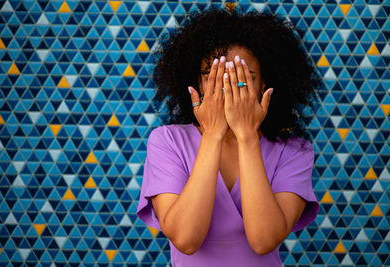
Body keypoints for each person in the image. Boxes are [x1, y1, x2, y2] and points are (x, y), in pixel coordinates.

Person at [137, 7, 323, 267]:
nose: (226, 89)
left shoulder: (294, 150)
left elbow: (264, 240)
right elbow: (186, 239)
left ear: (263, 84)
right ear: (199, 84)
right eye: (213, 78)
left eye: (242, 79)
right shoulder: (167, 141)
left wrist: (247, 136)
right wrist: (213, 134)